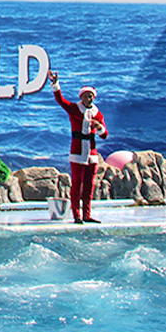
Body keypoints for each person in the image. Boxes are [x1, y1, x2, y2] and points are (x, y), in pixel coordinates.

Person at [50, 70, 108, 224]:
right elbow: (61, 100)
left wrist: (99, 127)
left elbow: (104, 135)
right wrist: (55, 84)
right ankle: (76, 215)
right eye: (86, 96)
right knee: (77, 185)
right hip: (77, 152)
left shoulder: (97, 113)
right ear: (81, 97)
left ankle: (87, 214)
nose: (89, 98)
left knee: (89, 185)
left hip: (92, 154)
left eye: (91, 96)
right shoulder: (75, 109)